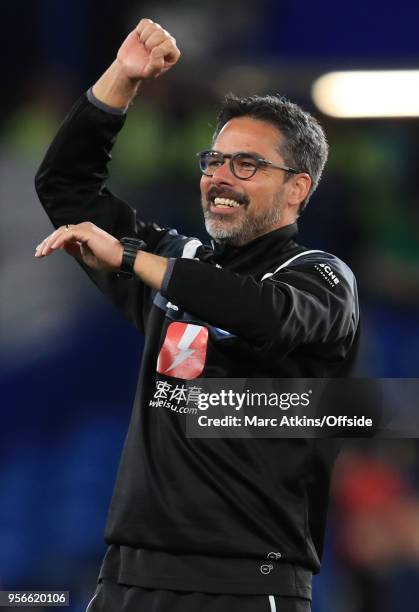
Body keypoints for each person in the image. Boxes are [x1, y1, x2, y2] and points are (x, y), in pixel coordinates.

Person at [35, 18, 359, 612]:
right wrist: (124, 79)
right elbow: (65, 187)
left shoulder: (324, 278)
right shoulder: (177, 261)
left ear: (297, 189)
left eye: (247, 165)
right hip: (129, 579)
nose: (219, 179)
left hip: (247, 583)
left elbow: (267, 316)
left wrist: (132, 257)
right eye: (214, 161)